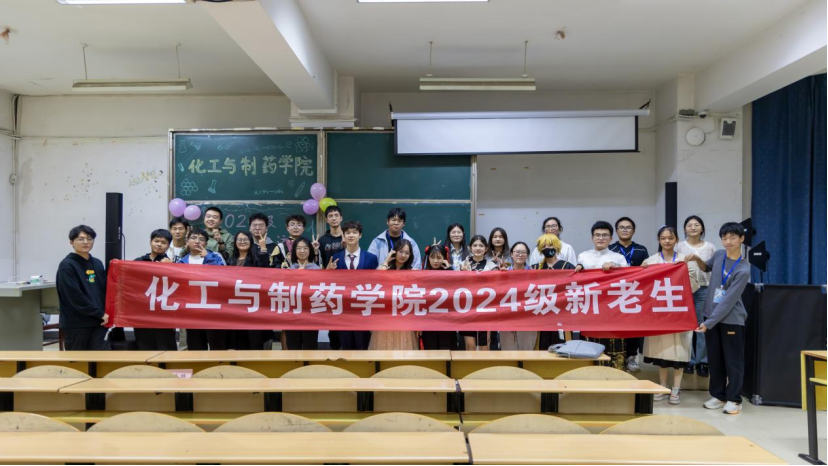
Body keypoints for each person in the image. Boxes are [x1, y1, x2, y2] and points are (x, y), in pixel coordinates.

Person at [686, 222, 750, 415]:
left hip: (731, 319)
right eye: (724, 238)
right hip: (710, 316)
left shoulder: (743, 269)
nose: (728, 241)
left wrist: (708, 323)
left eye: (732, 238)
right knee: (715, 359)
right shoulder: (720, 254)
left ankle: (734, 399)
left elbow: (728, 301)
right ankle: (719, 395)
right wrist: (697, 259)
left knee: (733, 361)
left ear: (741, 239)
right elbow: (707, 268)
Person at [641, 226, 702, 405]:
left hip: (680, 311)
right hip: (658, 313)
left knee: (679, 351)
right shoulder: (650, 261)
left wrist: (678, 275)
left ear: (676, 240)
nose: (667, 241)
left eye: (670, 238)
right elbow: (642, 286)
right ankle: (662, 386)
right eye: (663, 238)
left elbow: (695, 283)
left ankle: (676, 388)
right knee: (661, 352)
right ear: (658, 240)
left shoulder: (685, 260)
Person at [575, 221, 629, 370]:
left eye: (605, 235)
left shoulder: (618, 258)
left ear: (611, 238)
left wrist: (616, 268)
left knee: (614, 345)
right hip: (590, 306)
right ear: (592, 237)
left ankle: (616, 376)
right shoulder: (583, 256)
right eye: (597, 235)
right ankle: (590, 374)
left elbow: (629, 278)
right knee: (589, 344)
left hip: (612, 307)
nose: (601, 238)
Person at [56, 225, 110, 351]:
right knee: (78, 360)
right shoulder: (67, 265)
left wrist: (105, 313)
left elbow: (104, 290)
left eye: (89, 239)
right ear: (71, 242)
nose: (86, 242)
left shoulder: (97, 263)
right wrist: (99, 313)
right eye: (81, 239)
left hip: (99, 322)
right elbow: (74, 296)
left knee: (99, 358)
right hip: (77, 324)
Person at [676, 215, 717, 378]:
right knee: (686, 325)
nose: (693, 227)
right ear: (685, 229)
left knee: (702, 324)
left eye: (696, 225)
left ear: (702, 229)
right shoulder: (679, 246)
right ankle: (688, 360)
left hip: (705, 288)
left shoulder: (710, 247)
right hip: (683, 289)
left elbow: (713, 268)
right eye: (689, 225)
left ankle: (702, 362)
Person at [328, 221, 379, 350]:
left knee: (362, 348)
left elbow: (376, 285)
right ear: (343, 236)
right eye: (348, 233)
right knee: (347, 349)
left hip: (363, 312)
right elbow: (328, 284)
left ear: (360, 235)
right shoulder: (335, 258)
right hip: (343, 312)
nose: (351, 235)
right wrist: (328, 271)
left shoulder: (371, 258)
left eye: (354, 232)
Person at [609, 217, 650, 373]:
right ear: (616, 231)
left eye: (628, 227)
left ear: (634, 230)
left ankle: (631, 357)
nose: (625, 230)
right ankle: (618, 356)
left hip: (635, 292)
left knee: (634, 326)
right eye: (622, 227)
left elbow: (648, 270)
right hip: (615, 293)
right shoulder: (610, 249)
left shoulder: (641, 249)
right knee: (617, 326)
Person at [179, 228, 227, 350]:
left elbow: (224, 275)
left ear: (206, 243)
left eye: (201, 239)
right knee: (195, 347)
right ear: (187, 241)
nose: (197, 241)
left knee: (218, 346)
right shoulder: (181, 262)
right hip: (192, 311)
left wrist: (208, 257)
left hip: (214, 310)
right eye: (193, 238)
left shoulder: (215, 256)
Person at [371, 239, 420, 350]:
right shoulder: (385, 268)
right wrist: (386, 260)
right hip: (385, 315)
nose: (403, 255)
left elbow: (416, 297)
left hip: (404, 315)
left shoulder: (412, 271)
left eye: (407, 253)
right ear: (395, 251)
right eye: (401, 251)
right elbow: (376, 281)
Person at [133, 229, 177, 351]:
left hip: (163, 313)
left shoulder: (173, 264)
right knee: (144, 347)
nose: (159, 244)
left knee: (165, 347)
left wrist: (172, 268)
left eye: (163, 242)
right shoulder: (138, 262)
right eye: (156, 241)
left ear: (168, 245)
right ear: (150, 242)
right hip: (142, 312)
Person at [227, 231, 271, 350]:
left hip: (254, 306)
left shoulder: (257, 258)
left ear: (251, 242)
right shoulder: (230, 261)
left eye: (245, 239)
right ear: (235, 243)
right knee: (239, 341)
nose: (242, 242)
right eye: (239, 240)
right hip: (236, 307)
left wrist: (263, 248)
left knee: (255, 340)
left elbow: (267, 272)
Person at [282, 237, 321, 350]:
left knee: (310, 346)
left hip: (310, 315)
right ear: (294, 250)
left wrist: (304, 277)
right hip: (292, 314)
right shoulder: (288, 268)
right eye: (299, 248)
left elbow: (319, 291)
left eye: (305, 248)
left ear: (310, 250)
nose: (302, 251)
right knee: (293, 346)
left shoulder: (317, 269)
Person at [459, 235, 496, 351]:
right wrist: (464, 274)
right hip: (467, 309)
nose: (478, 248)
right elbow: (457, 287)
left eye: (481, 245)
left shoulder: (492, 266)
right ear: (470, 248)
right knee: (470, 345)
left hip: (486, 310)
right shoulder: (463, 265)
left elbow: (497, 287)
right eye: (475, 245)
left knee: (484, 345)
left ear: (486, 248)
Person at [499, 242, 538, 351]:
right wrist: (499, 276)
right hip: (507, 317)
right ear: (511, 254)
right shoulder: (503, 273)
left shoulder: (534, 274)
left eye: (523, 252)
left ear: (527, 255)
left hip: (527, 318)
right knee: (508, 353)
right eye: (517, 252)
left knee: (527, 353)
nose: (520, 254)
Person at [421, 243, 458, 350]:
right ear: (428, 258)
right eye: (432, 257)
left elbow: (457, 290)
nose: (435, 261)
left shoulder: (450, 273)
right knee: (430, 350)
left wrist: (449, 270)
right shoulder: (422, 275)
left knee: (447, 349)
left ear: (444, 258)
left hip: (447, 320)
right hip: (428, 320)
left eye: (439, 257)